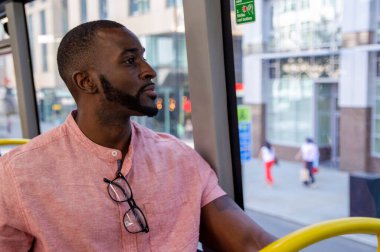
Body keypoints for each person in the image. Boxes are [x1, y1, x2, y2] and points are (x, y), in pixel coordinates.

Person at [0, 20, 275, 251]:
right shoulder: (19, 174)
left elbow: (250, 241)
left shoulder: (179, 158)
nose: (150, 71)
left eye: (143, 57)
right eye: (131, 61)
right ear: (86, 82)